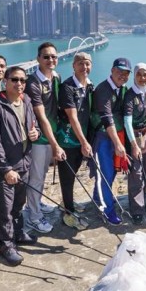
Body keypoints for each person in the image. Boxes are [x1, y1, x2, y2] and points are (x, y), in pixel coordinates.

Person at [0, 66, 40, 265]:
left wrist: (36, 133)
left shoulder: (26, 100)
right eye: (14, 80)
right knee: (5, 209)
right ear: (6, 81)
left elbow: (33, 124)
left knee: (18, 204)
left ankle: (18, 233)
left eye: (22, 80)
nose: (19, 84)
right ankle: (6, 245)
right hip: (6, 167)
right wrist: (6, 169)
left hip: (24, 162)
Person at [24, 42, 65, 234]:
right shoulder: (33, 83)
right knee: (36, 176)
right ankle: (33, 216)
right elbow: (41, 116)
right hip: (39, 138)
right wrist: (55, 145)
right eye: (46, 56)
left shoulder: (56, 77)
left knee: (42, 174)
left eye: (53, 56)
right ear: (38, 59)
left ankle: (37, 202)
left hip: (51, 134)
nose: (50, 60)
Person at [55, 52, 93, 230]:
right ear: (74, 66)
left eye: (87, 64)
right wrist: (85, 142)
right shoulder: (67, 87)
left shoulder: (89, 86)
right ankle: (68, 213)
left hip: (80, 139)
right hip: (68, 140)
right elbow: (72, 117)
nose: (84, 67)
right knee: (67, 176)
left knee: (73, 173)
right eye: (80, 63)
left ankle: (67, 202)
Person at [92, 58, 132, 224]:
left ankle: (98, 198)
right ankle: (107, 209)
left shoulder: (122, 89)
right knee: (106, 174)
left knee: (111, 172)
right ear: (112, 70)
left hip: (116, 135)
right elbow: (107, 118)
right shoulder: (104, 89)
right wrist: (118, 144)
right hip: (102, 137)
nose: (122, 75)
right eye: (119, 71)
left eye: (126, 73)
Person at [123, 63, 146, 223]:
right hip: (134, 136)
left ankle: (140, 199)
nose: (142, 78)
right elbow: (127, 122)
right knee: (136, 173)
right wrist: (134, 145)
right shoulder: (130, 95)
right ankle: (136, 209)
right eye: (139, 74)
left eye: (145, 74)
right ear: (134, 76)